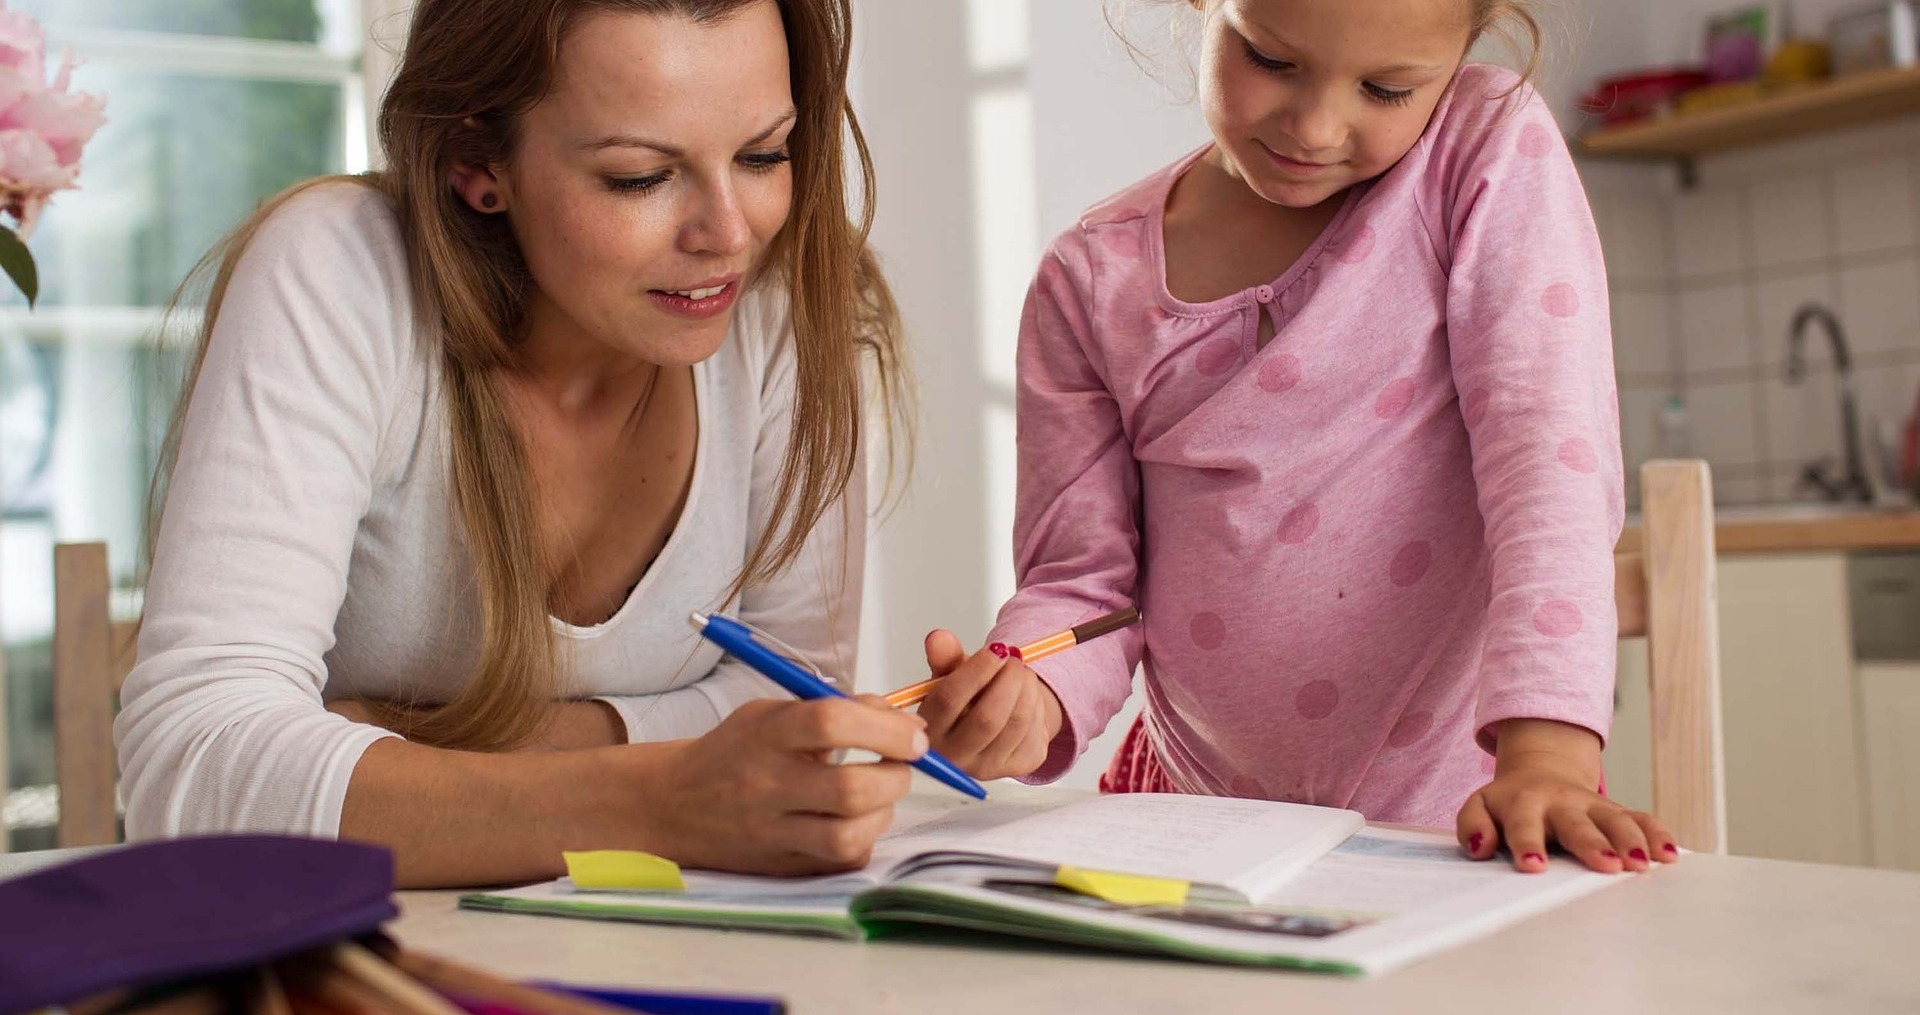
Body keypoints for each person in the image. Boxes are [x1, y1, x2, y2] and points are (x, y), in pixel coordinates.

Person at [114, 0, 923, 888]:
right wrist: (655, 801)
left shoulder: (784, 307)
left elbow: (790, 702)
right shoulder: (339, 272)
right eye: (639, 177)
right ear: (477, 165)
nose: (729, 234)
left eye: (763, 154)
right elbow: (193, 770)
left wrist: (397, 735)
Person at [917, 0, 1679, 874]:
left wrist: (1548, 758)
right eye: (1272, 61)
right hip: (1191, 821)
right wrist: (1030, 695)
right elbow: (1084, 586)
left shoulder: (1481, 148)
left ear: (1462, 50)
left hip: (1473, 815)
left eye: (1386, 88)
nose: (1315, 127)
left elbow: (1549, 470)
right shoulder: (1090, 278)